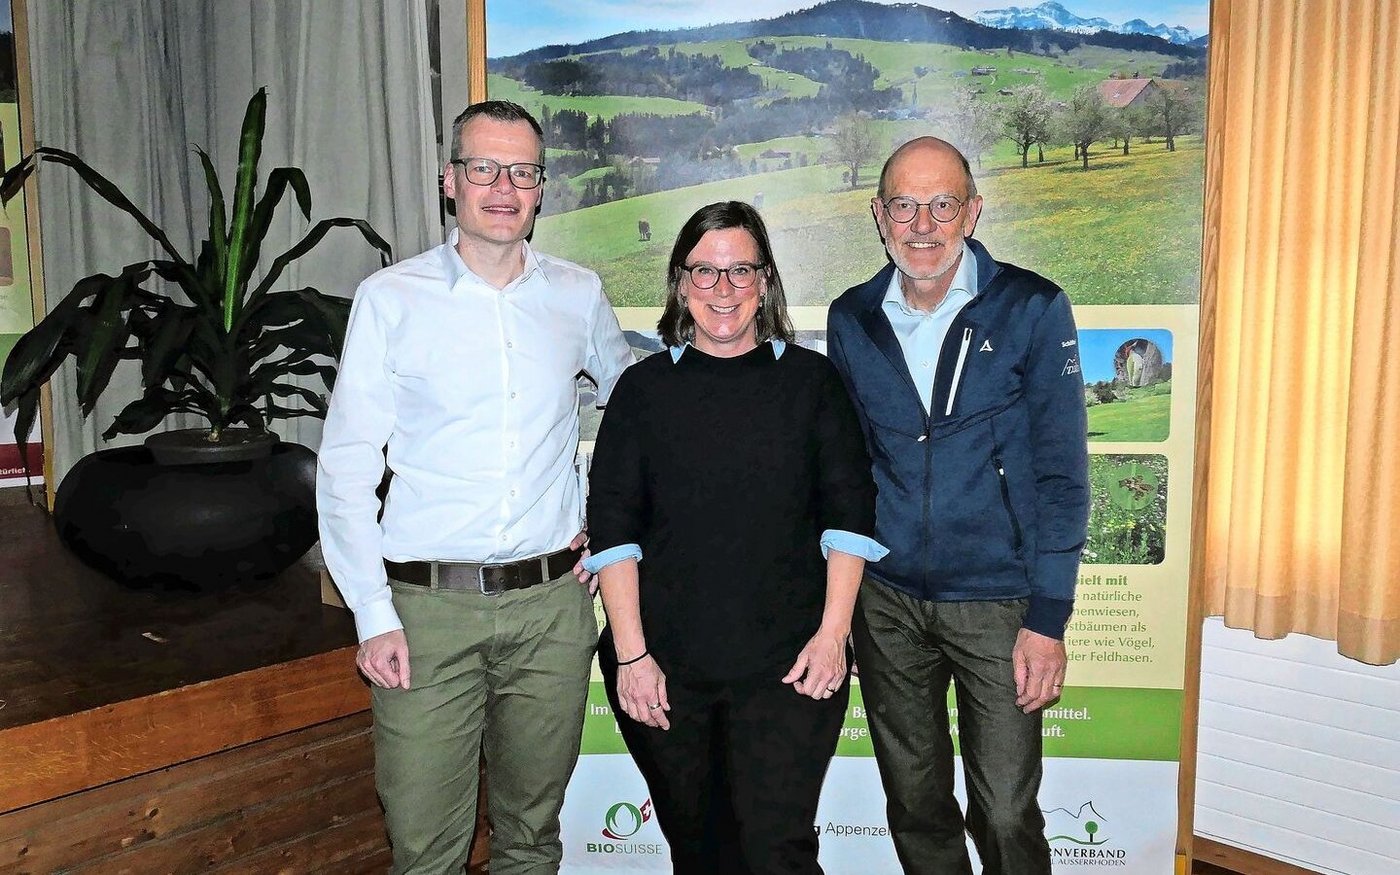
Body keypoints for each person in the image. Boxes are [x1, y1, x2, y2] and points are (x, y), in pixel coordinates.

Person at [316, 100, 633, 875]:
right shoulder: (391, 299)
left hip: (554, 609)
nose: (503, 186)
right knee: (425, 847)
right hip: (425, 616)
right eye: (483, 167)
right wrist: (372, 613)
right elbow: (346, 465)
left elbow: (636, 414)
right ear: (449, 181)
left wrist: (606, 514)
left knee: (532, 836)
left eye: (522, 171)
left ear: (541, 188)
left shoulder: (578, 293)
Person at [584, 201, 886, 874]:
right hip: (663, 672)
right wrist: (632, 657)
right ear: (680, 282)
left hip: (790, 669)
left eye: (740, 270)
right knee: (699, 854)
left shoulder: (813, 383)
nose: (723, 289)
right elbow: (613, 530)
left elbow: (850, 516)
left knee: (776, 851)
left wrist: (834, 636)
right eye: (705, 271)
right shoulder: (641, 391)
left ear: (766, 282)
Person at [826, 137, 1089, 875]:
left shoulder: (1033, 307)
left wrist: (1048, 618)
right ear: (879, 216)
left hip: (1000, 604)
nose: (923, 225)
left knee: (1004, 809)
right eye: (904, 206)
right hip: (887, 603)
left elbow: (1064, 476)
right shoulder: (851, 319)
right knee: (915, 803)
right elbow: (845, 473)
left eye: (943, 204)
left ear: (973, 211)